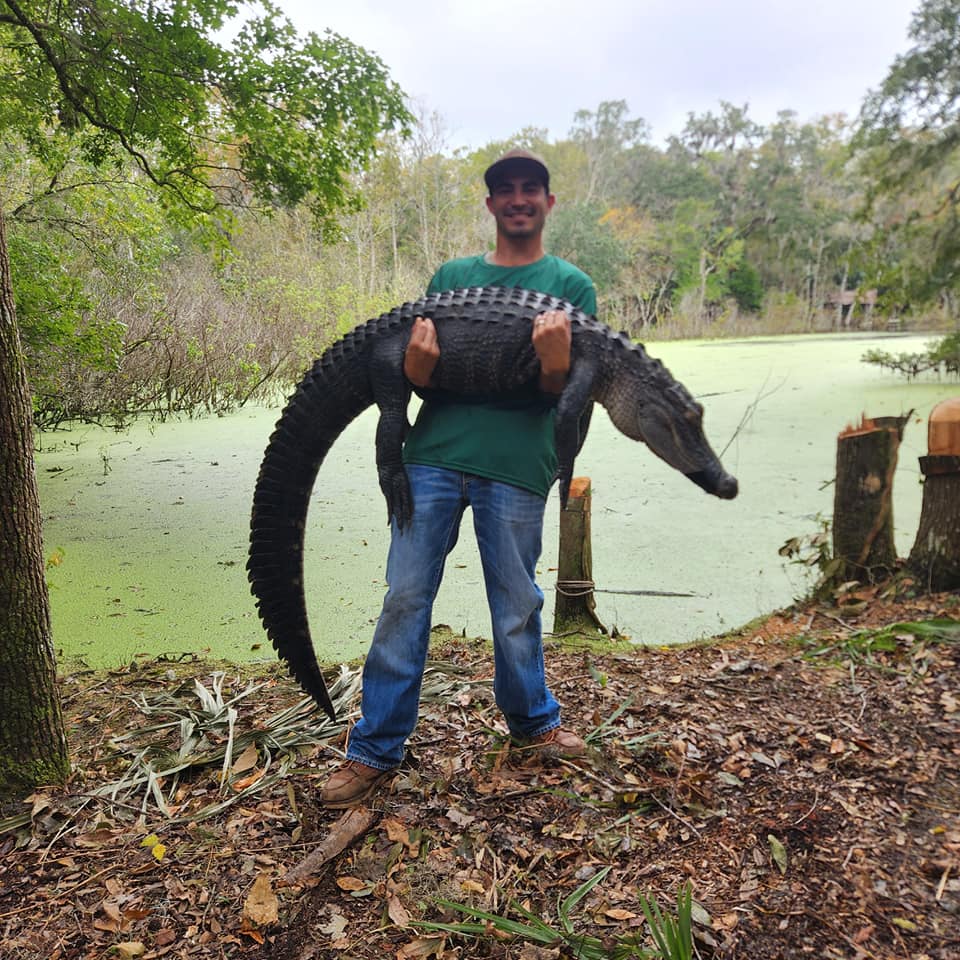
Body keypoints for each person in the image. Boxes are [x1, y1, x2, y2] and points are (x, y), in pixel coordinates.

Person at [321, 149, 598, 808]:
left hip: (517, 462)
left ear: (548, 203)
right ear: (492, 205)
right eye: (506, 190)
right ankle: (375, 749)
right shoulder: (453, 276)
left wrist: (555, 363)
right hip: (433, 457)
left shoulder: (572, 285)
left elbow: (565, 395)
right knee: (405, 598)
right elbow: (422, 377)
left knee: (516, 606)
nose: (519, 199)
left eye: (531, 189)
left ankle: (533, 724)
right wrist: (415, 367)